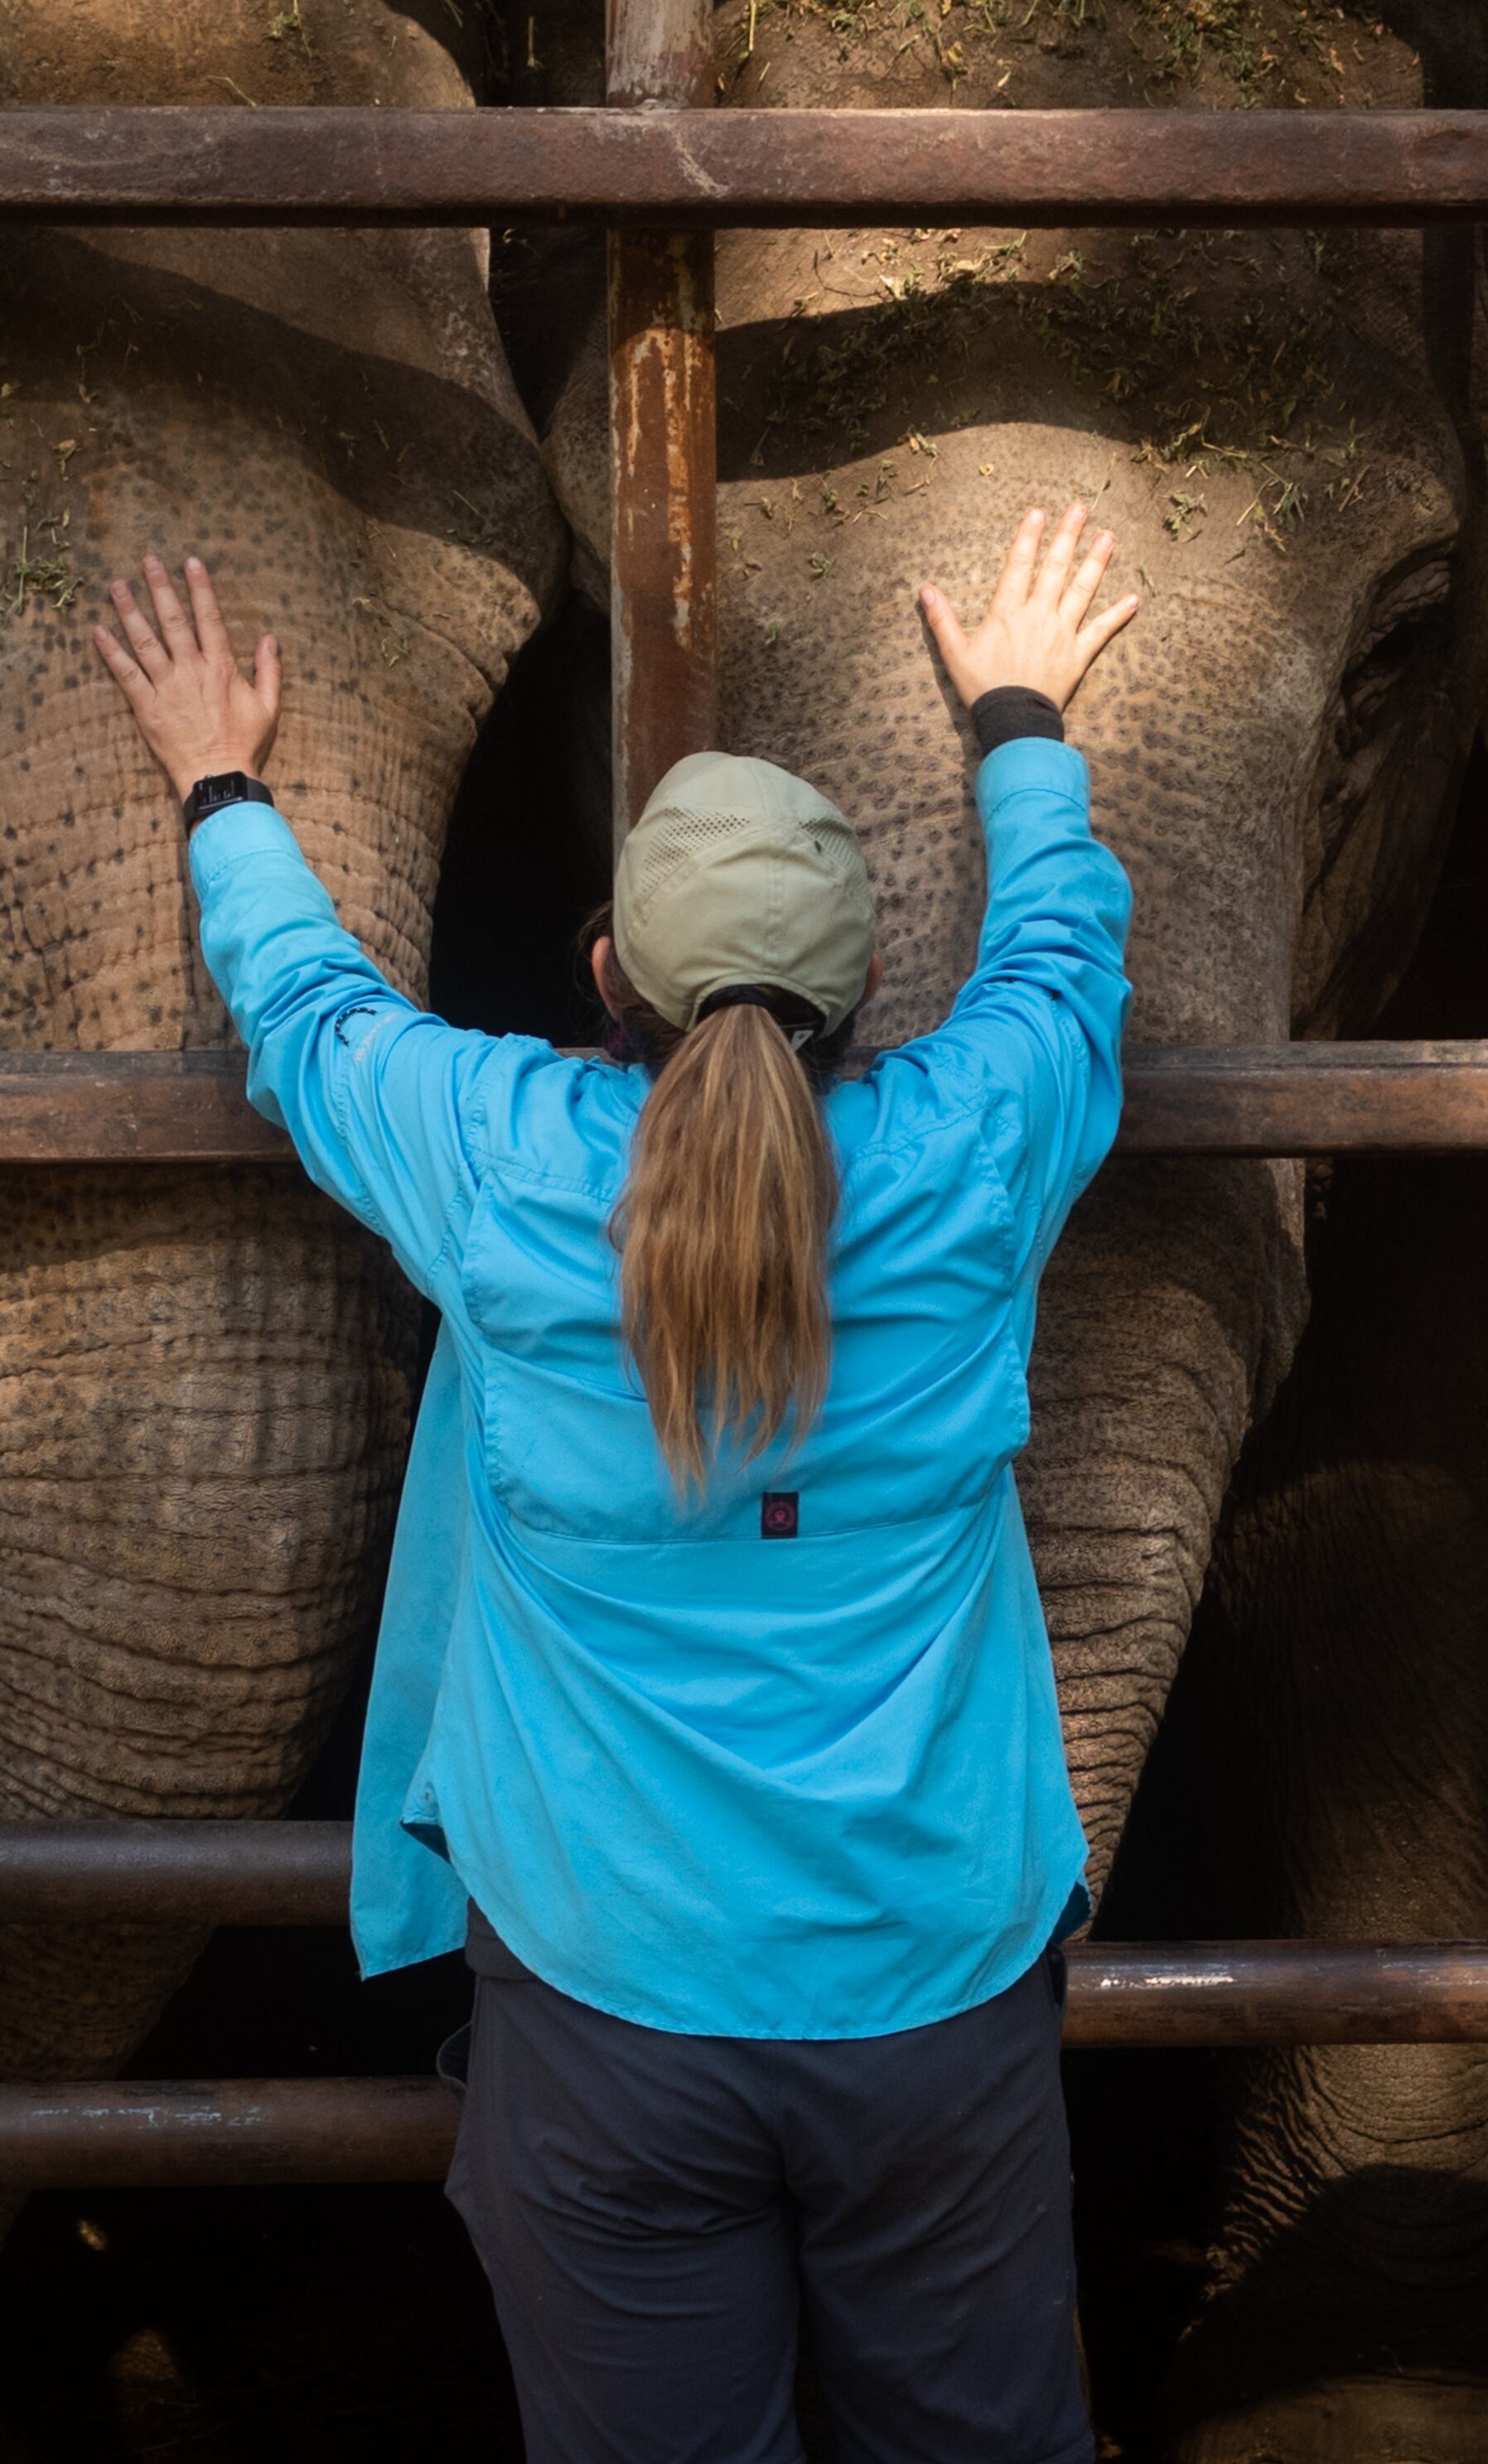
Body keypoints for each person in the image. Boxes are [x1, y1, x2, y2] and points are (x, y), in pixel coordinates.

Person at [90, 502, 1143, 2464]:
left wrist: (218, 777)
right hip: (932, 1997)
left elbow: (314, 1017)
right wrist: (1019, 712)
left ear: (600, 977)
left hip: (608, 2010)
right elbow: (1069, 959)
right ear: (869, 985)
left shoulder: (502, 1163)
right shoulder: (979, 1145)